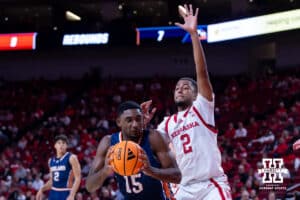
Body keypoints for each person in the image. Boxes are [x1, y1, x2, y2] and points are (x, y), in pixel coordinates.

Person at [142, 4, 231, 200]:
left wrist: (193, 35)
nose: (180, 89)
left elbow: (202, 73)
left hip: (210, 185)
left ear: (196, 93)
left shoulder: (202, 107)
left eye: (186, 87)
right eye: (177, 87)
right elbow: (153, 146)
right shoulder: (168, 123)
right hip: (183, 188)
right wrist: (142, 127)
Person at [85, 101, 181, 200]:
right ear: (119, 122)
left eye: (138, 119)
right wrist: (105, 171)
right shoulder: (108, 142)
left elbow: (178, 176)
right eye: (129, 120)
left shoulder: (154, 138)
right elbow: (89, 186)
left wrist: (152, 171)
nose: (135, 124)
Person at [36, 134, 81, 200]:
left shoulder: (72, 158)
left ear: (66, 146)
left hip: (66, 192)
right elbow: (52, 181)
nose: (61, 145)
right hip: (53, 193)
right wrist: (42, 189)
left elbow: (78, 178)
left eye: (63, 143)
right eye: (59, 143)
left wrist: (72, 195)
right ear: (55, 145)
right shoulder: (51, 161)